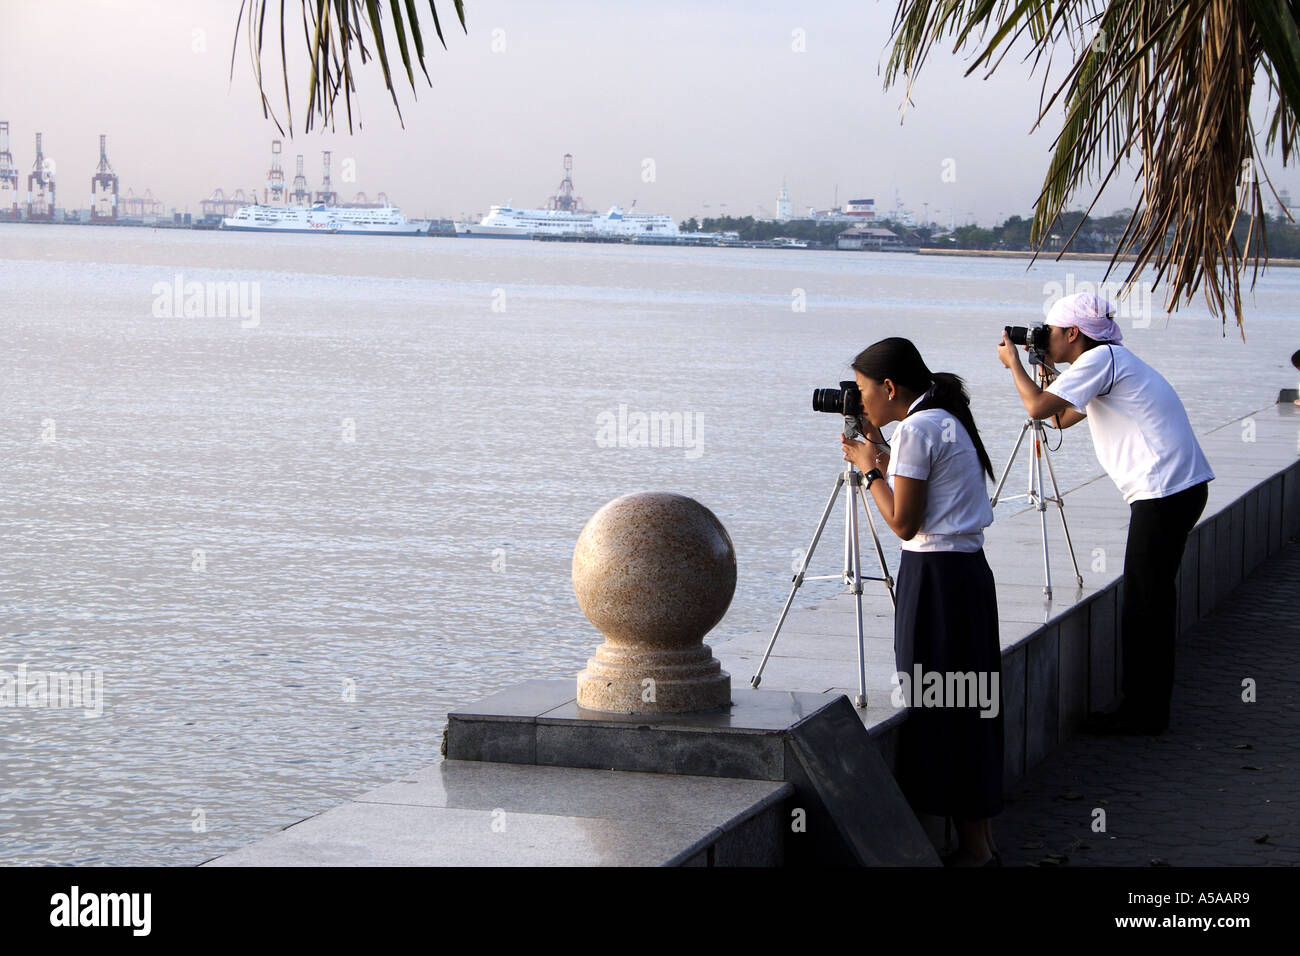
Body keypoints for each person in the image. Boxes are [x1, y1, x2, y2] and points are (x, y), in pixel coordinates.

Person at [996, 291, 1214, 735]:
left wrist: (1014, 366)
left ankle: (1143, 714)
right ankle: (1148, 708)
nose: (1046, 337)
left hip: (1164, 493)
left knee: (1144, 604)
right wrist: (1046, 374)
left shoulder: (1100, 362)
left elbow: (1038, 408)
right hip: (1177, 491)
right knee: (1150, 600)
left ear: (1072, 333)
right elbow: (1059, 420)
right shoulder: (1108, 361)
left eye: (1052, 332)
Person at [841, 336, 1003, 867]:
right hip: (968, 576)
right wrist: (885, 456)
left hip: (934, 578)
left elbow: (904, 521)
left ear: (890, 388)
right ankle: (979, 845)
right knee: (970, 704)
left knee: (935, 703)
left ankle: (963, 849)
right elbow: (934, 492)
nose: (860, 403)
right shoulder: (944, 416)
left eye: (863, 393)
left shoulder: (916, 427)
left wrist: (869, 468)